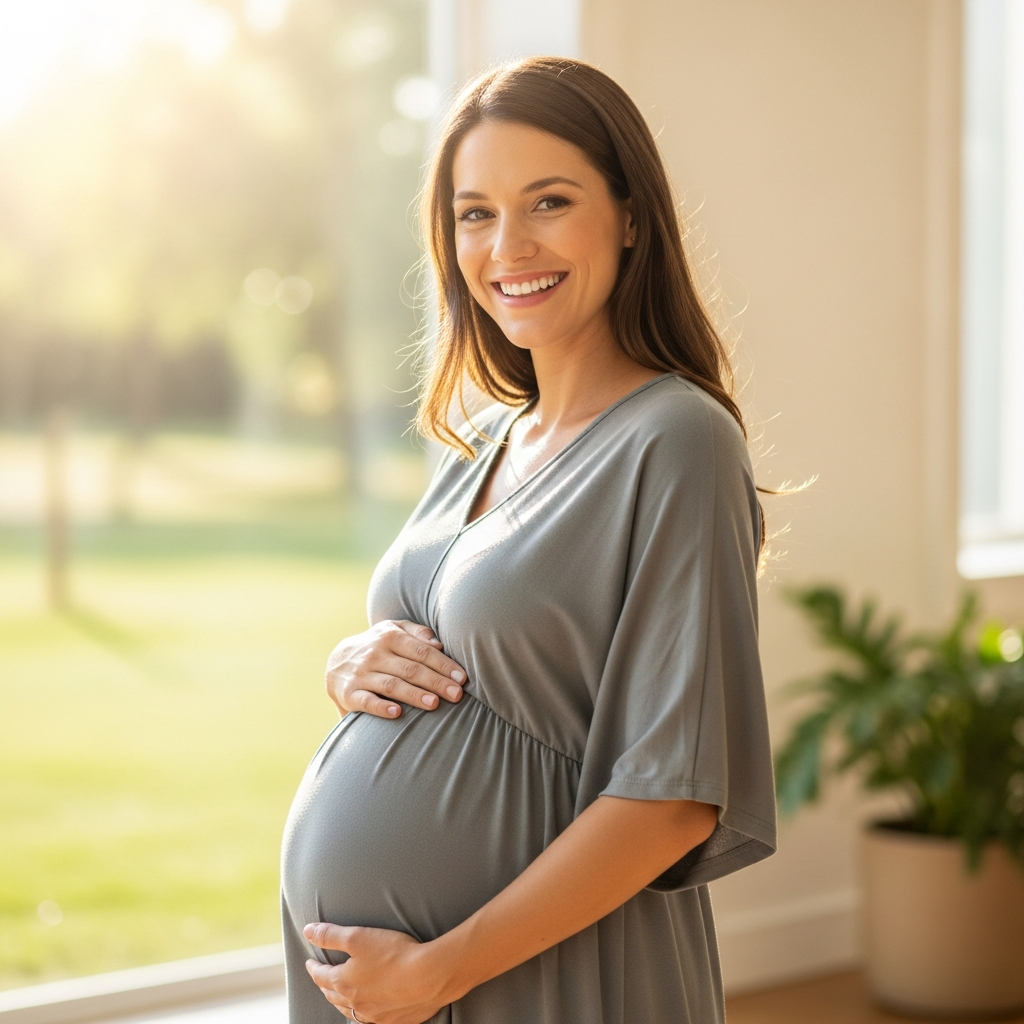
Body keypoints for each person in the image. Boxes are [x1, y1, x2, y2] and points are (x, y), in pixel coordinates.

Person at [280, 56, 776, 1024]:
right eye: (474, 213)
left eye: (547, 201)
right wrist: (353, 664)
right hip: (394, 986)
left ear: (630, 217)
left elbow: (674, 795)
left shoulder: (676, 439)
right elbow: (471, 649)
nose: (507, 244)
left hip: (536, 973)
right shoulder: (495, 436)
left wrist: (440, 970)